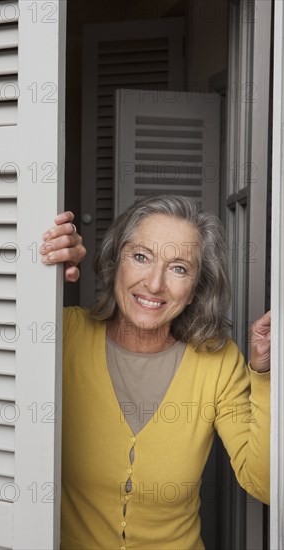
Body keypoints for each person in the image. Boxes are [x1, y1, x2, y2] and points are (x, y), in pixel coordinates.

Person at [41, 196, 270, 550]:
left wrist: (266, 375)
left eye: (179, 268)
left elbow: (265, 484)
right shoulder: (63, 334)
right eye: (141, 257)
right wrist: (34, 264)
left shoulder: (218, 362)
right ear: (116, 261)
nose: (154, 283)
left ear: (196, 288)